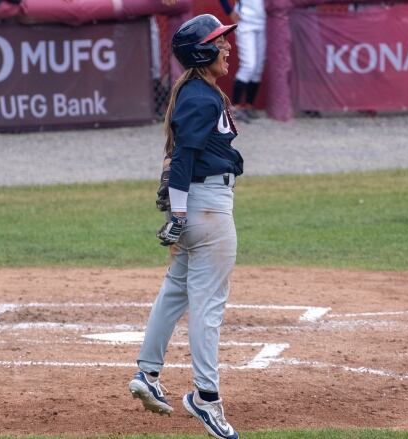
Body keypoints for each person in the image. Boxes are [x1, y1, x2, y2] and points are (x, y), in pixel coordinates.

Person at [128, 14, 243, 439]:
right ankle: (206, 398)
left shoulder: (199, 94)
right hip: (208, 209)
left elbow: (181, 154)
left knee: (175, 291)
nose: (227, 47)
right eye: (220, 43)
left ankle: (148, 373)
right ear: (202, 52)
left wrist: (179, 213)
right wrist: (178, 215)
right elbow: (182, 159)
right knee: (208, 305)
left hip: (198, 206)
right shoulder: (201, 98)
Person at [220, 0, 266, 122]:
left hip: (264, 22)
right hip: (245, 22)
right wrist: (229, 11)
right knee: (249, 65)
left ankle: (248, 106)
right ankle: (235, 107)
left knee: (258, 68)